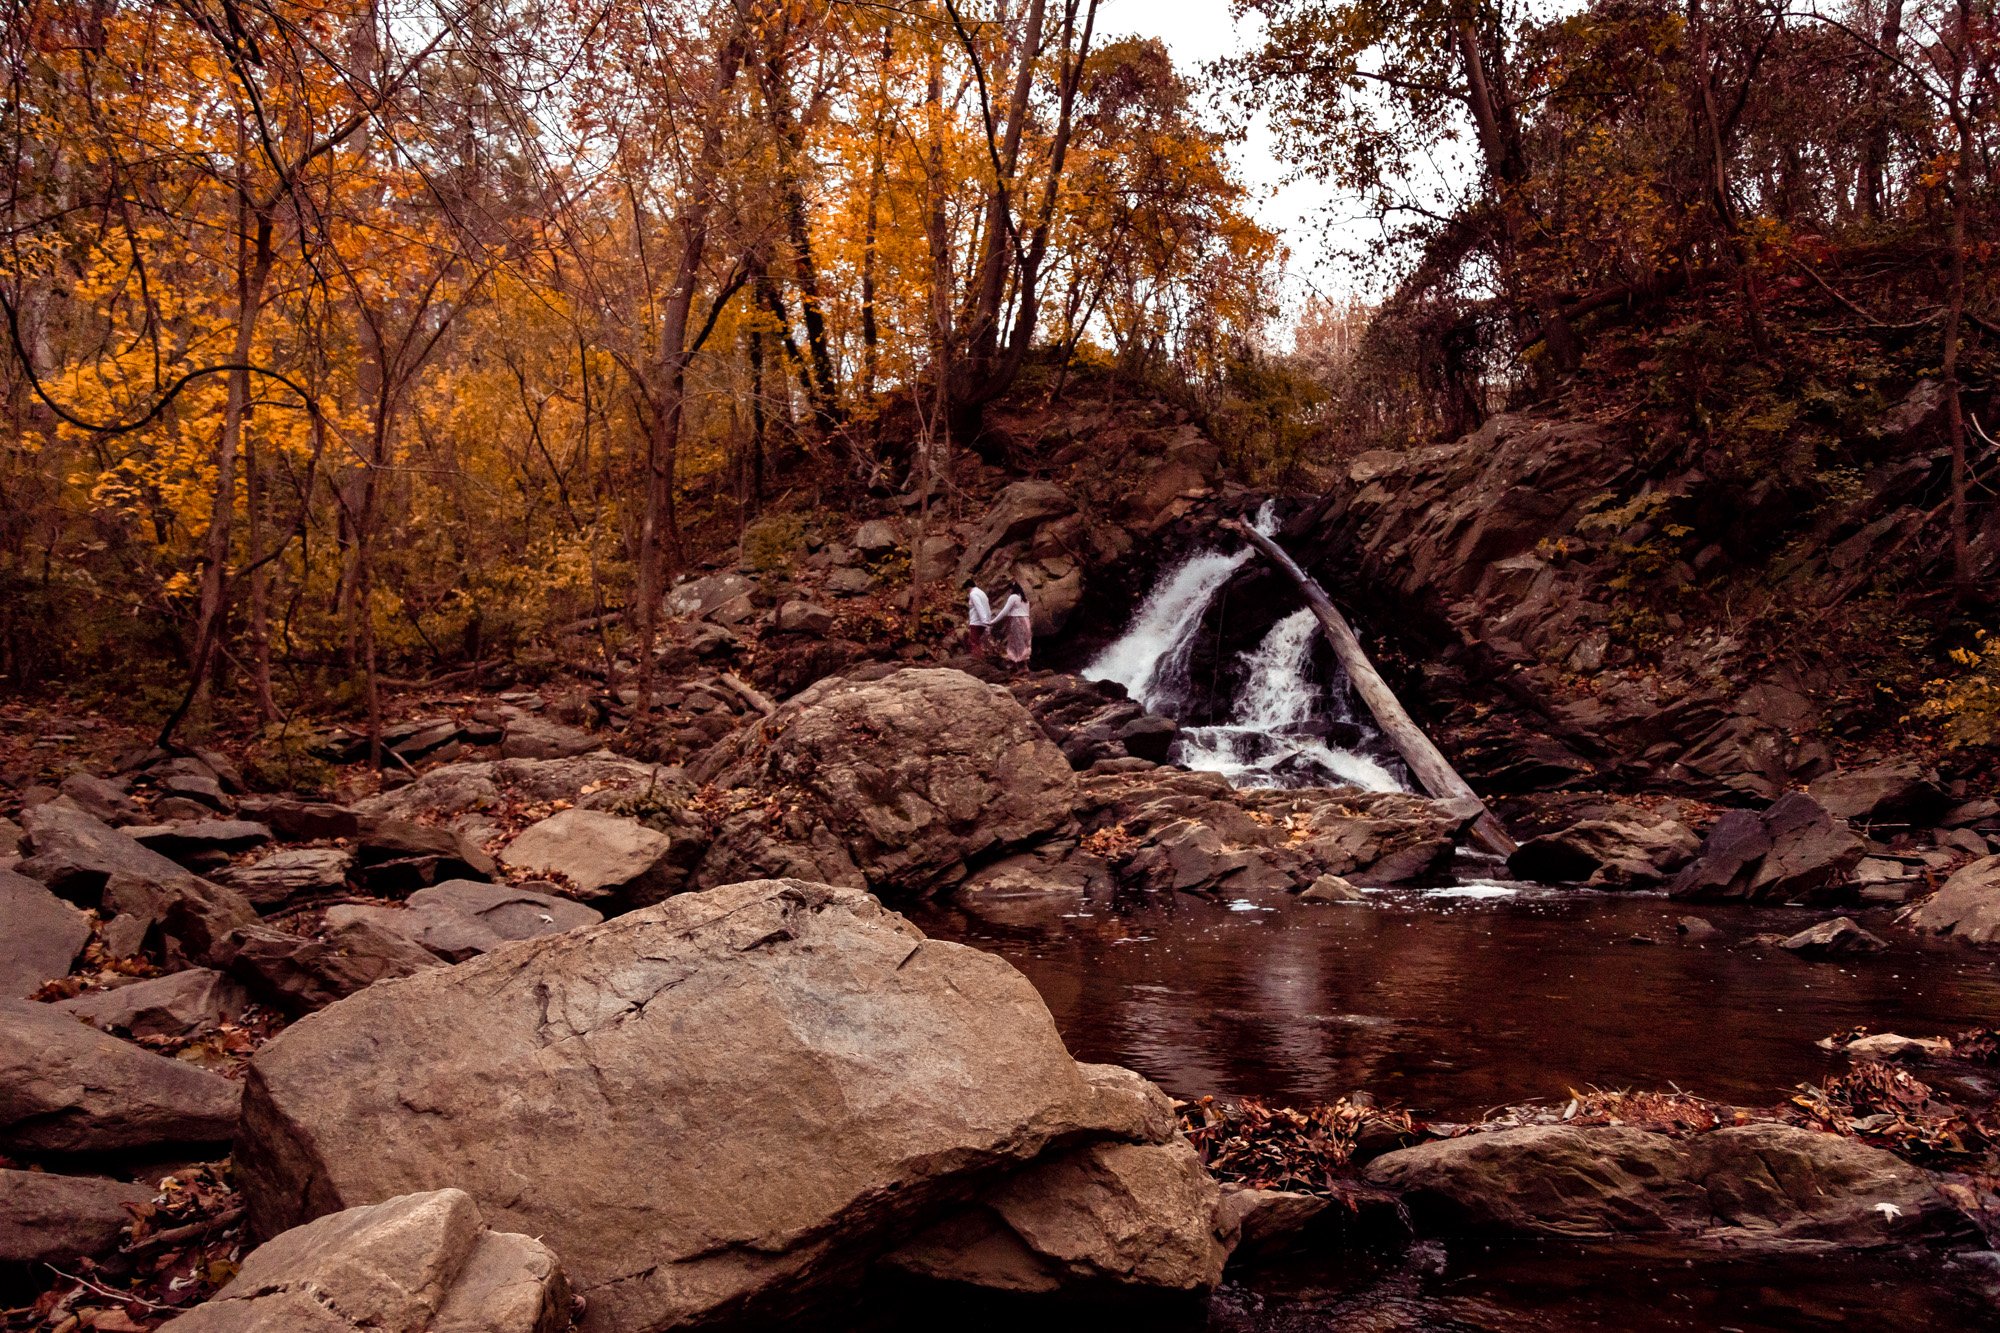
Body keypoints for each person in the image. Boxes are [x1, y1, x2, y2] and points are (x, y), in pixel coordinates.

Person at [993, 582, 1032, 667]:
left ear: (1012, 589)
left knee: (1016, 644)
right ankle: (1023, 666)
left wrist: (993, 621)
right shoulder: (1025, 600)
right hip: (1026, 622)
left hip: (1017, 622)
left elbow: (1004, 611)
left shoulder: (1013, 597)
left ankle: (1020, 667)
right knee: (1025, 643)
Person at [965, 583, 994, 655]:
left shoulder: (973, 594)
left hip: (976, 622)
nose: (967, 592)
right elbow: (987, 608)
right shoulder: (982, 593)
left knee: (974, 642)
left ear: (968, 587)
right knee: (981, 643)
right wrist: (987, 621)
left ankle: (977, 660)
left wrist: (984, 620)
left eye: (966, 589)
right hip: (983, 622)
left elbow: (979, 607)